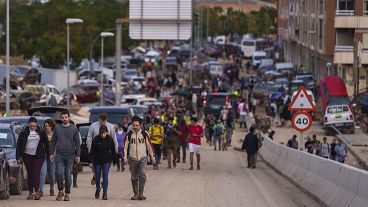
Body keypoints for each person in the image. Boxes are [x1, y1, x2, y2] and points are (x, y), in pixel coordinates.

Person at [50, 110, 81, 201]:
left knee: (67, 174)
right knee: (59, 173)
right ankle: (60, 191)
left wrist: (78, 155)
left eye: (66, 117)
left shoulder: (74, 129)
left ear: (69, 118)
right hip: (59, 154)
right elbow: (53, 142)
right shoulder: (57, 128)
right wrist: (52, 153)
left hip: (70, 155)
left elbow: (77, 143)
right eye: (62, 117)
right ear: (61, 118)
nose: (64, 119)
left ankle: (67, 193)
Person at [16, 117, 50, 200]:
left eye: (34, 126)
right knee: (30, 173)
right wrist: (18, 156)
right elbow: (19, 144)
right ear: (28, 125)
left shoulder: (41, 131)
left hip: (39, 155)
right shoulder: (24, 131)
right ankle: (31, 192)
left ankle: (37, 192)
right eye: (31, 126)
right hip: (27, 155)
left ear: (37, 124)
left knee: (36, 172)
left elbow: (46, 143)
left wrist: (49, 155)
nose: (32, 128)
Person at [123, 116, 155, 201]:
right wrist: (125, 157)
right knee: (134, 177)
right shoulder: (129, 134)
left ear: (140, 125)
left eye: (137, 125)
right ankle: (136, 194)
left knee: (142, 174)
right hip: (132, 158)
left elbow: (149, 146)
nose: (135, 127)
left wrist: (152, 156)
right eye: (134, 125)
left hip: (143, 157)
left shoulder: (145, 134)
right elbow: (125, 147)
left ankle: (141, 194)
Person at [87, 113, 118, 185]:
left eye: (104, 121)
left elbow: (114, 138)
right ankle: (95, 175)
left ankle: (102, 180)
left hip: (106, 151)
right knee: (95, 167)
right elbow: (89, 137)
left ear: (106, 120)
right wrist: (89, 147)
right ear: (99, 119)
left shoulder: (110, 126)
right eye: (101, 121)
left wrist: (115, 147)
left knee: (105, 168)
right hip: (95, 150)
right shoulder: (93, 126)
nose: (103, 123)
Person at [90, 126, 116, 200]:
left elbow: (113, 150)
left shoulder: (110, 139)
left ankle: (105, 193)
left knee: (105, 176)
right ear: (99, 133)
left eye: (104, 133)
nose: (102, 135)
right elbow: (92, 151)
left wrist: (114, 160)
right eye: (101, 134)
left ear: (107, 132)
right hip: (97, 161)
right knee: (97, 176)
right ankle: (98, 189)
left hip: (106, 161)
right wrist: (90, 161)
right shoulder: (96, 139)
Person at [44, 119, 56, 196]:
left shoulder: (55, 135)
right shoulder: (43, 135)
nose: (47, 128)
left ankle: (52, 189)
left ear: (52, 126)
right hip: (43, 157)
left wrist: (54, 154)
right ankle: (40, 190)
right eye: (45, 126)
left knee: (51, 174)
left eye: (48, 126)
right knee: (42, 173)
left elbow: (57, 145)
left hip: (52, 157)